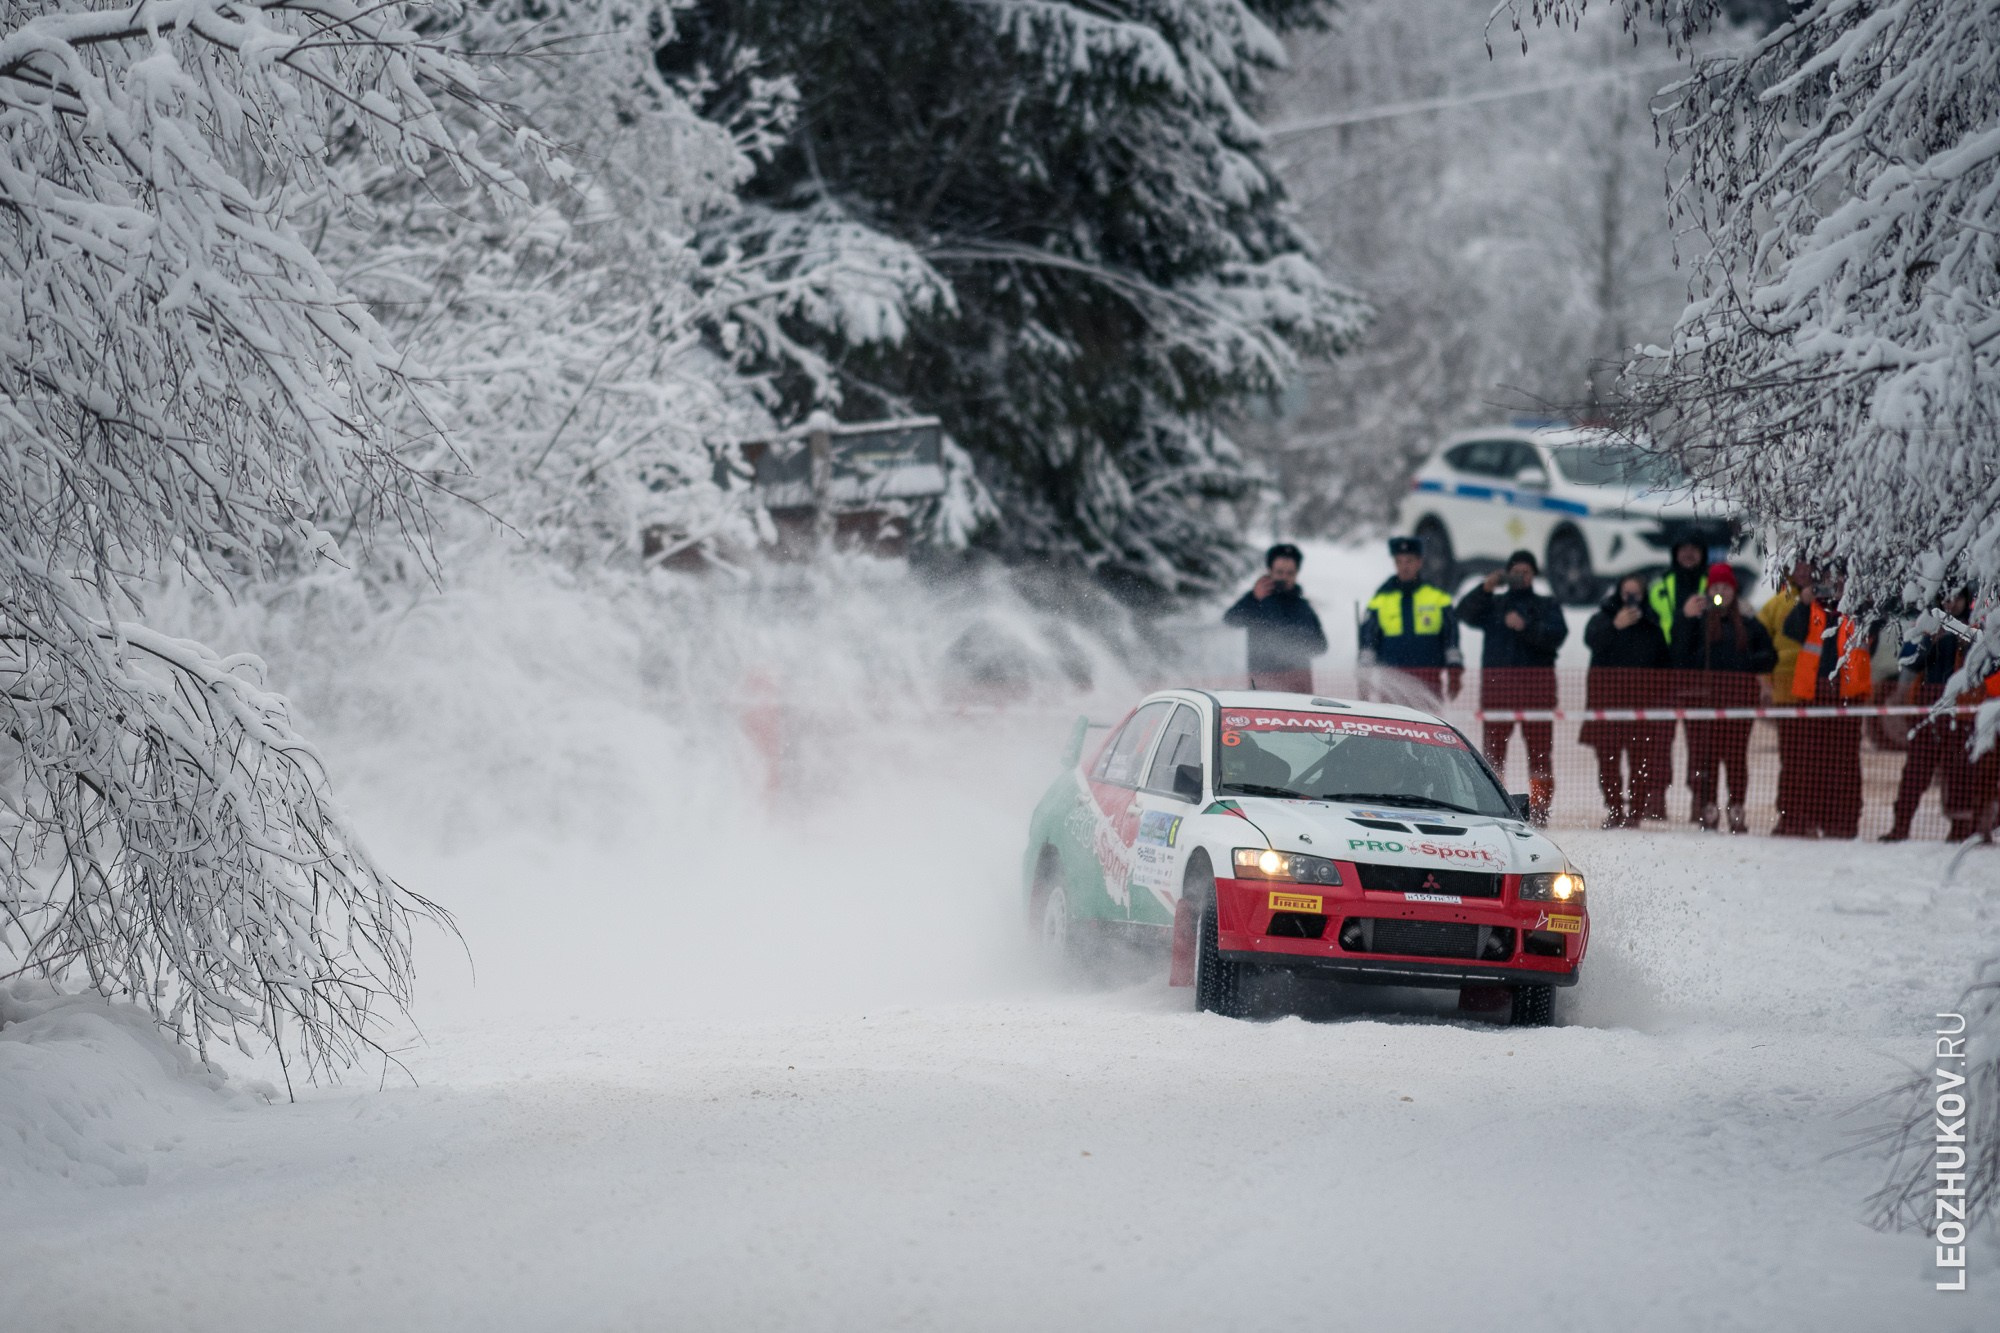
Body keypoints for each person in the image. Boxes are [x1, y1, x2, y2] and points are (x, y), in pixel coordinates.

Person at [1457, 550, 1568, 824]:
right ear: (1506, 574)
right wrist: (1484, 588)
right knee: (1493, 756)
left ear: (1534, 575)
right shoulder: (1493, 604)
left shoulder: (1547, 605)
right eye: (1515, 572)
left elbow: (1557, 635)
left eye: (1526, 572)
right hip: (1498, 694)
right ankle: (1495, 806)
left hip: (1537, 695)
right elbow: (1463, 613)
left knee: (1540, 755)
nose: (1521, 577)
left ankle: (1540, 809)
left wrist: (1526, 627)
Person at [1673, 564, 1777, 832]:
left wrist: (1748, 664)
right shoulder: (1699, 622)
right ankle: (1708, 809)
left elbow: (1768, 656)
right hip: (1705, 703)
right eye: (1715, 588)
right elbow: (1680, 655)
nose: (1720, 593)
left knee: (1736, 758)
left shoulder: (1748, 622)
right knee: (1706, 758)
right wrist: (1686, 618)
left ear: (1734, 590)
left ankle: (1737, 808)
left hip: (1739, 703)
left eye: (1725, 588)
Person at [1782, 573, 1872, 838]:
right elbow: (1791, 630)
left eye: (1840, 581)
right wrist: (1803, 602)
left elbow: (1873, 640)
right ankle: (1808, 818)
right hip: (1814, 695)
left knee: (1844, 766)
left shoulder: (1860, 611)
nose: (1834, 588)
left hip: (1848, 697)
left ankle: (1843, 822)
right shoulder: (1811, 609)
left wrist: (1859, 601)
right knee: (1809, 764)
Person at [1882, 586, 1975, 842]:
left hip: (1961, 710)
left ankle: (1960, 828)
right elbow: (1909, 661)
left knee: (1959, 772)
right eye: (1946, 597)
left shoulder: (1974, 628)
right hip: (1927, 708)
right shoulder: (1926, 626)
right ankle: (1900, 825)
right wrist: (1929, 641)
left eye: (1957, 597)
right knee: (1916, 771)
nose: (1951, 603)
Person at [1580, 574, 1669, 828]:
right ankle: (1615, 807)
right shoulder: (1602, 618)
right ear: (1618, 592)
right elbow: (1591, 641)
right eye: (1626, 592)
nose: (1630, 598)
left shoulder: (1651, 624)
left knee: (1640, 761)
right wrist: (1614, 626)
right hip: (1606, 705)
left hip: (1641, 707)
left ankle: (1636, 810)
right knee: (1608, 762)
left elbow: (1662, 663)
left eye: (1636, 593)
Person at [1645, 536, 1711, 821]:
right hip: (1665, 673)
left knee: (1700, 744)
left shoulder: (1713, 586)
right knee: (1659, 742)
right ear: (1674, 552)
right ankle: (1656, 799)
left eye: (1694, 549)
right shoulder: (1659, 586)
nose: (1688, 554)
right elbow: (1648, 626)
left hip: (1700, 677)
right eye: (1683, 548)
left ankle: (1700, 802)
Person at [1359, 536, 1463, 701]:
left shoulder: (1437, 597)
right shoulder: (1381, 599)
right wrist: (1363, 678)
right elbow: (1368, 642)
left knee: (1429, 726)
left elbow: (1451, 639)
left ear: (1419, 562)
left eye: (1409, 561)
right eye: (1399, 561)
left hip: (1429, 684)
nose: (1404, 566)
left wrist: (1455, 672)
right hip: (1391, 686)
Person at [1223, 543, 1327, 694]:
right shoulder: (1257, 599)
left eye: (1290, 573)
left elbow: (1320, 646)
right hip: (1262, 686)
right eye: (1279, 572)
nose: (1284, 577)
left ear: (1296, 573)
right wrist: (1253, 598)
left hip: (1299, 689)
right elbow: (1231, 620)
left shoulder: (1303, 607)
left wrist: (1296, 643)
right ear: (1269, 571)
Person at [1758, 562, 1813, 836]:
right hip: (1786, 694)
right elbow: (1759, 646)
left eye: (1808, 567)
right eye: (1798, 568)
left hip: (1817, 694)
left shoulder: (1827, 603)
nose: (1803, 573)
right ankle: (1788, 815)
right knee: (1791, 759)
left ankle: (1810, 816)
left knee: (1815, 761)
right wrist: (1766, 685)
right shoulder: (1777, 604)